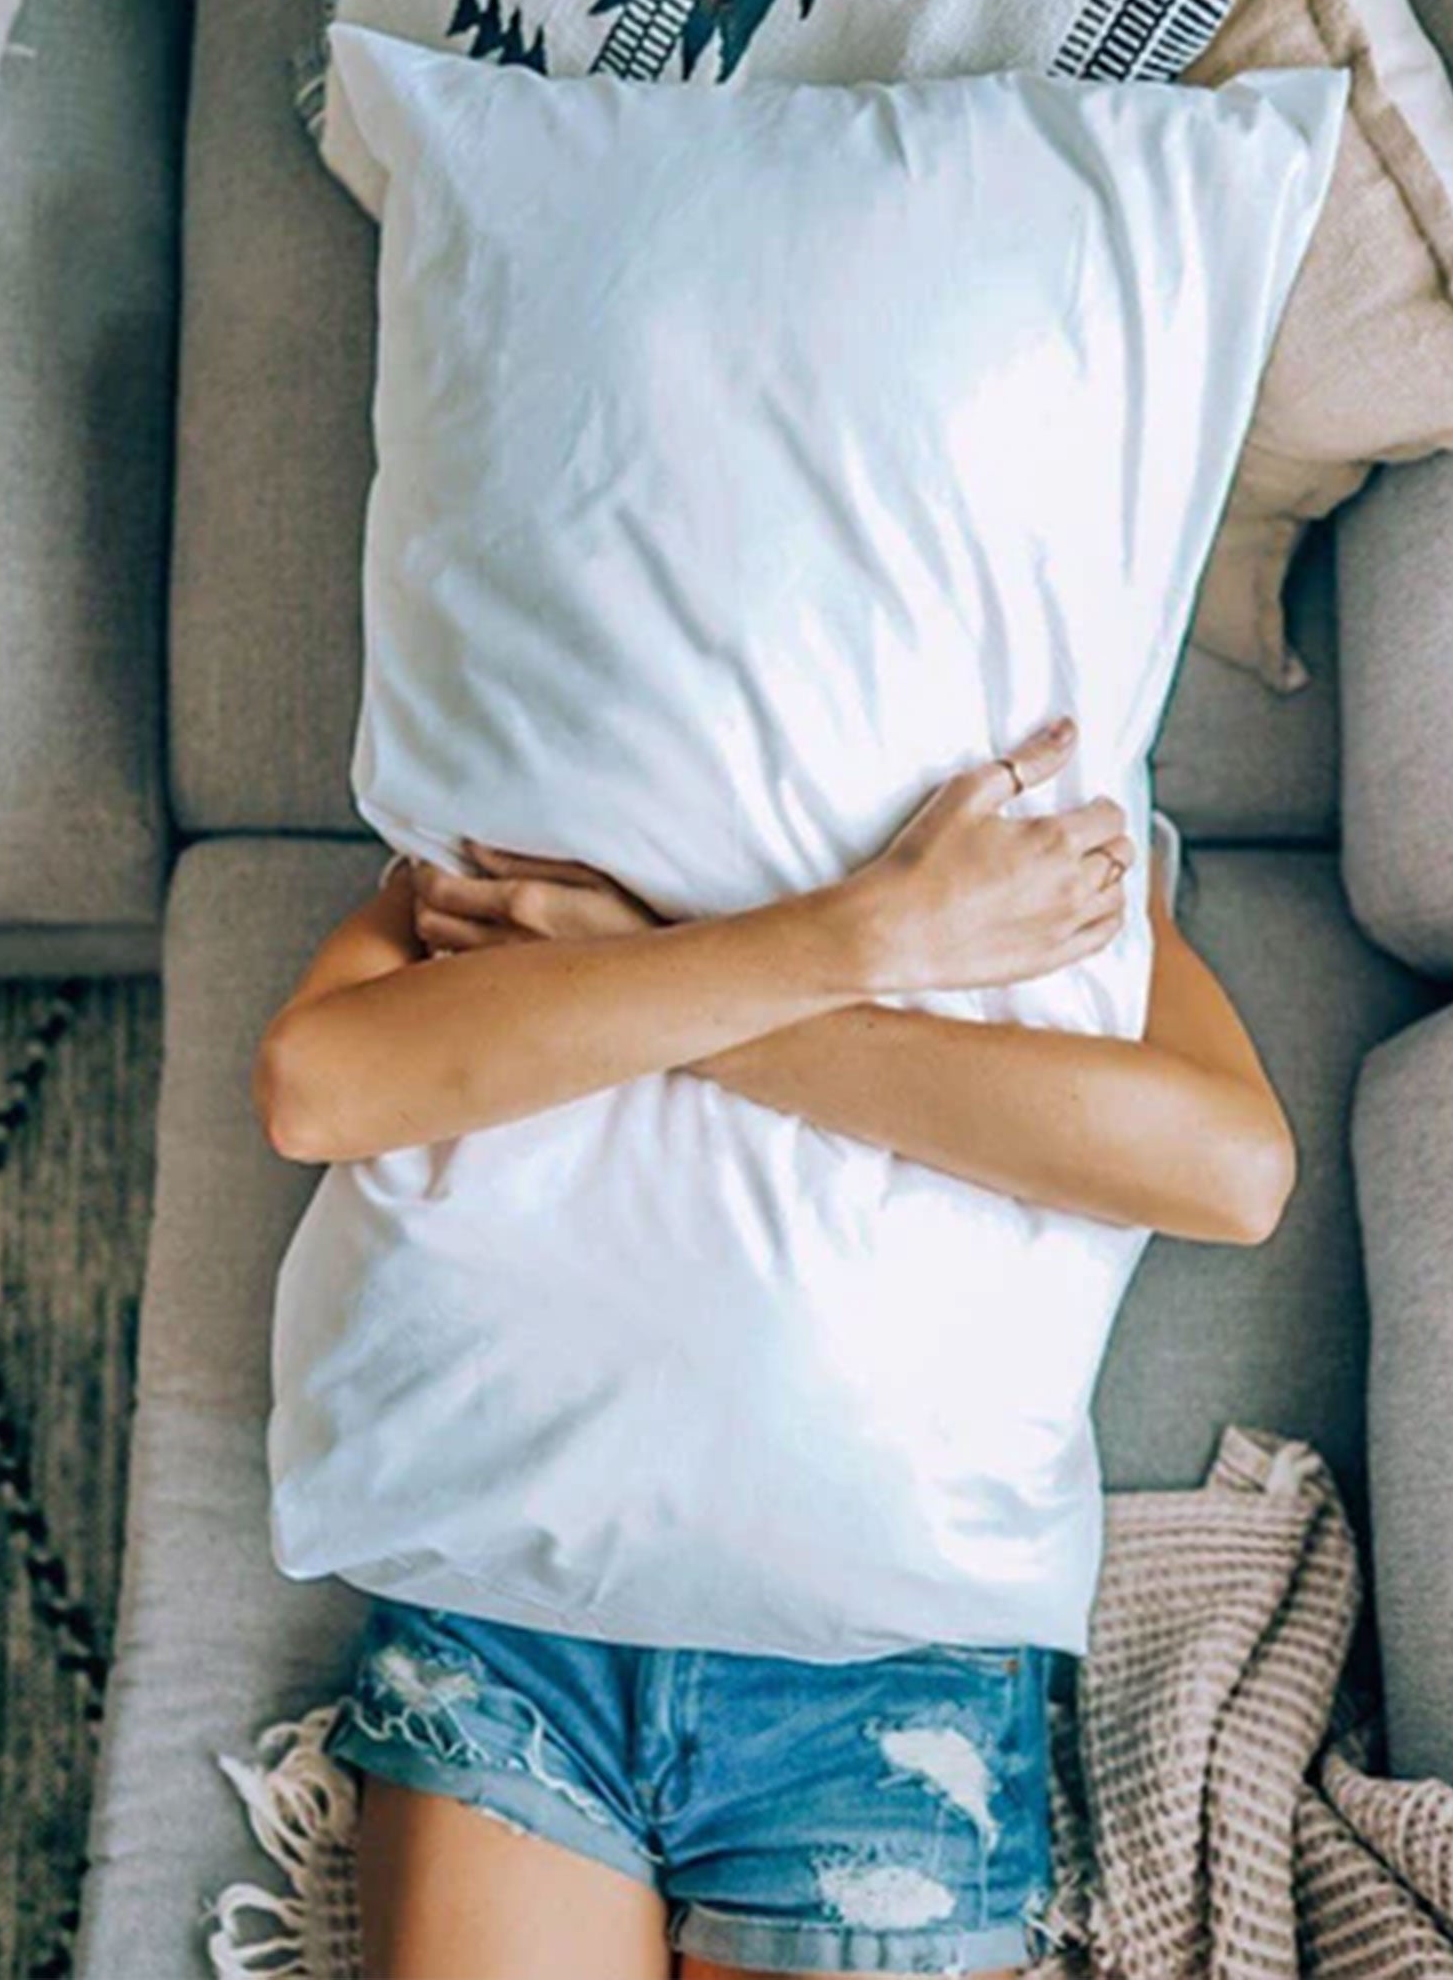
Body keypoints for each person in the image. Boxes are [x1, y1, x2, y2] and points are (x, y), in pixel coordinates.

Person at [252, 713, 1295, 1979]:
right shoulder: (552, 793)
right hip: (514, 1607)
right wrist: (839, 942)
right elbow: (315, 1083)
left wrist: (671, 968)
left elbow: (1232, 1171)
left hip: (888, 1670)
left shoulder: (1043, 849)